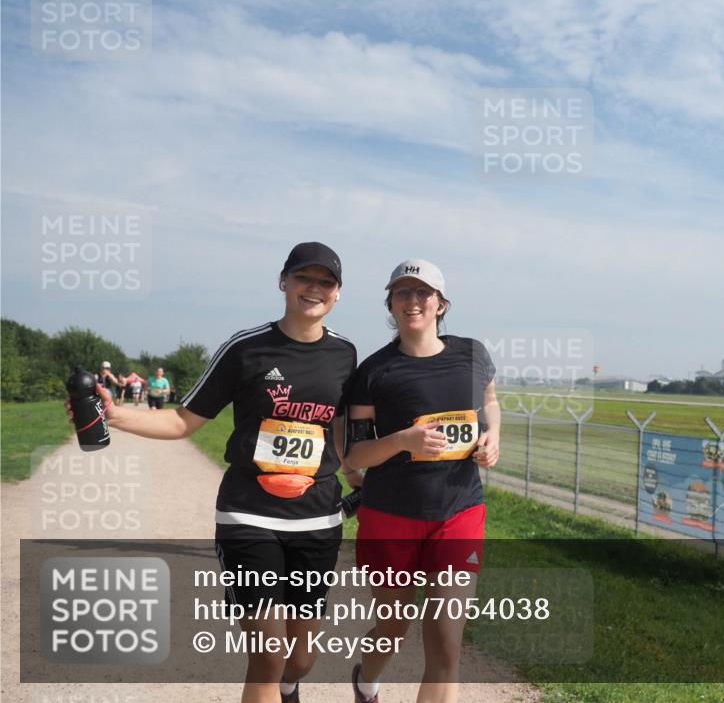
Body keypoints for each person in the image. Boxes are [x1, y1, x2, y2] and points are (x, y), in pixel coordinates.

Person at [66, 242, 359, 703]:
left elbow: (339, 431)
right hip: (250, 515)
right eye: (304, 278)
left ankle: (289, 689)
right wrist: (115, 415)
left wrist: (362, 475)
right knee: (268, 654)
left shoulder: (346, 354)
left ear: (338, 294)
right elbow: (184, 421)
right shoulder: (246, 349)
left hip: (317, 519)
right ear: (284, 282)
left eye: (326, 282)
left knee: (300, 660)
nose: (314, 289)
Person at [344, 259, 500, 703]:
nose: (413, 301)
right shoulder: (373, 372)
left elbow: (490, 402)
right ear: (390, 304)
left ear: (441, 304)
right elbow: (356, 455)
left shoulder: (472, 353)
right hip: (390, 517)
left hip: (459, 512)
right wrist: (402, 440)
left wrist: (493, 438)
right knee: (394, 626)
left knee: (446, 641)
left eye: (422, 293)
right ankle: (365, 679)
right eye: (402, 293)